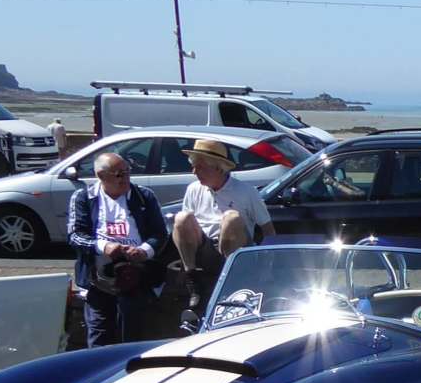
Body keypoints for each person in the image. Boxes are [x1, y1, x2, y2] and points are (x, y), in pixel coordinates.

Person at [172, 137, 273, 332]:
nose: (194, 172)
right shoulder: (193, 189)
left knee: (231, 218)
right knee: (182, 217)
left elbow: (268, 229)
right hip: (203, 249)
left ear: (219, 168)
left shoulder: (246, 192)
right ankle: (192, 279)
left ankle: (230, 281)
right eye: (193, 166)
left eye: (200, 167)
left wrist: (267, 265)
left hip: (236, 251)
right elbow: (185, 228)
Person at [68, 151, 166, 347]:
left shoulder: (144, 196)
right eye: (119, 174)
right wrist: (104, 246)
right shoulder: (84, 197)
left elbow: (160, 234)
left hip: (135, 275)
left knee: (131, 330)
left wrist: (144, 251)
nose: (125, 178)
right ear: (101, 176)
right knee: (98, 334)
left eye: (128, 172)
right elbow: (75, 236)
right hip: (97, 277)